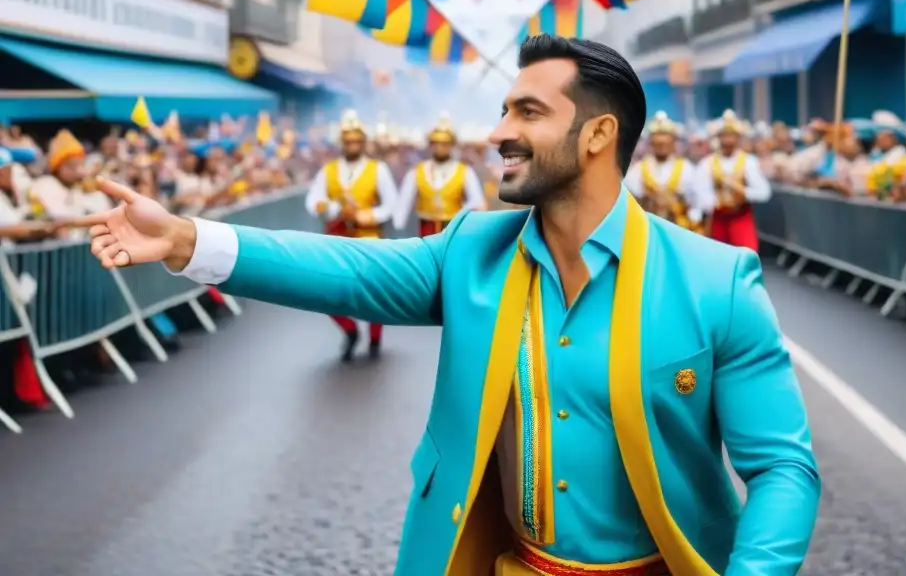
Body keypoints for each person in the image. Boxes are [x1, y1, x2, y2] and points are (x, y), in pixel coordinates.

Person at [74, 35, 820, 576]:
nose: (498, 133)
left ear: (598, 135)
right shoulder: (470, 251)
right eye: (502, 112)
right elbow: (346, 269)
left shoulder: (718, 281)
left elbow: (784, 469)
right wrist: (183, 239)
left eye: (527, 112)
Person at [303, 110, 398, 361]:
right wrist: (334, 208)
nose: (352, 145)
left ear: (363, 142)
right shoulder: (329, 170)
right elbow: (313, 201)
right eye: (348, 140)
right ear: (341, 142)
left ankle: (375, 337)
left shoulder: (378, 169)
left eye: (357, 140)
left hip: (369, 239)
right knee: (326, 290)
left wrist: (364, 215)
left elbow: (390, 204)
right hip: (337, 239)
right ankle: (350, 329)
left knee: (374, 291)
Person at [393, 113, 486, 236]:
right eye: (436, 144)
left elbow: (477, 201)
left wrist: (462, 212)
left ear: (451, 145)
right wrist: (398, 228)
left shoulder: (464, 171)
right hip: (426, 228)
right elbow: (404, 202)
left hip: (453, 229)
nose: (440, 148)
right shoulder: (417, 171)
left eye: (444, 144)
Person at [696, 110, 772, 250]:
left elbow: (764, 192)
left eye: (731, 136)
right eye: (724, 136)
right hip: (718, 219)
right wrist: (714, 202)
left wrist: (743, 192)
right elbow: (701, 192)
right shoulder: (707, 163)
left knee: (747, 257)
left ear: (738, 138)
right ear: (718, 138)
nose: (728, 141)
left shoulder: (749, 162)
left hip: (741, 217)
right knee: (718, 259)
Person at [624, 111, 704, 234]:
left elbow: (697, 203)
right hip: (648, 230)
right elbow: (629, 201)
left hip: (678, 230)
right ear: (651, 142)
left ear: (673, 142)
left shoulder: (687, 169)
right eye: (657, 142)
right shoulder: (638, 169)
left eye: (665, 141)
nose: (661, 145)